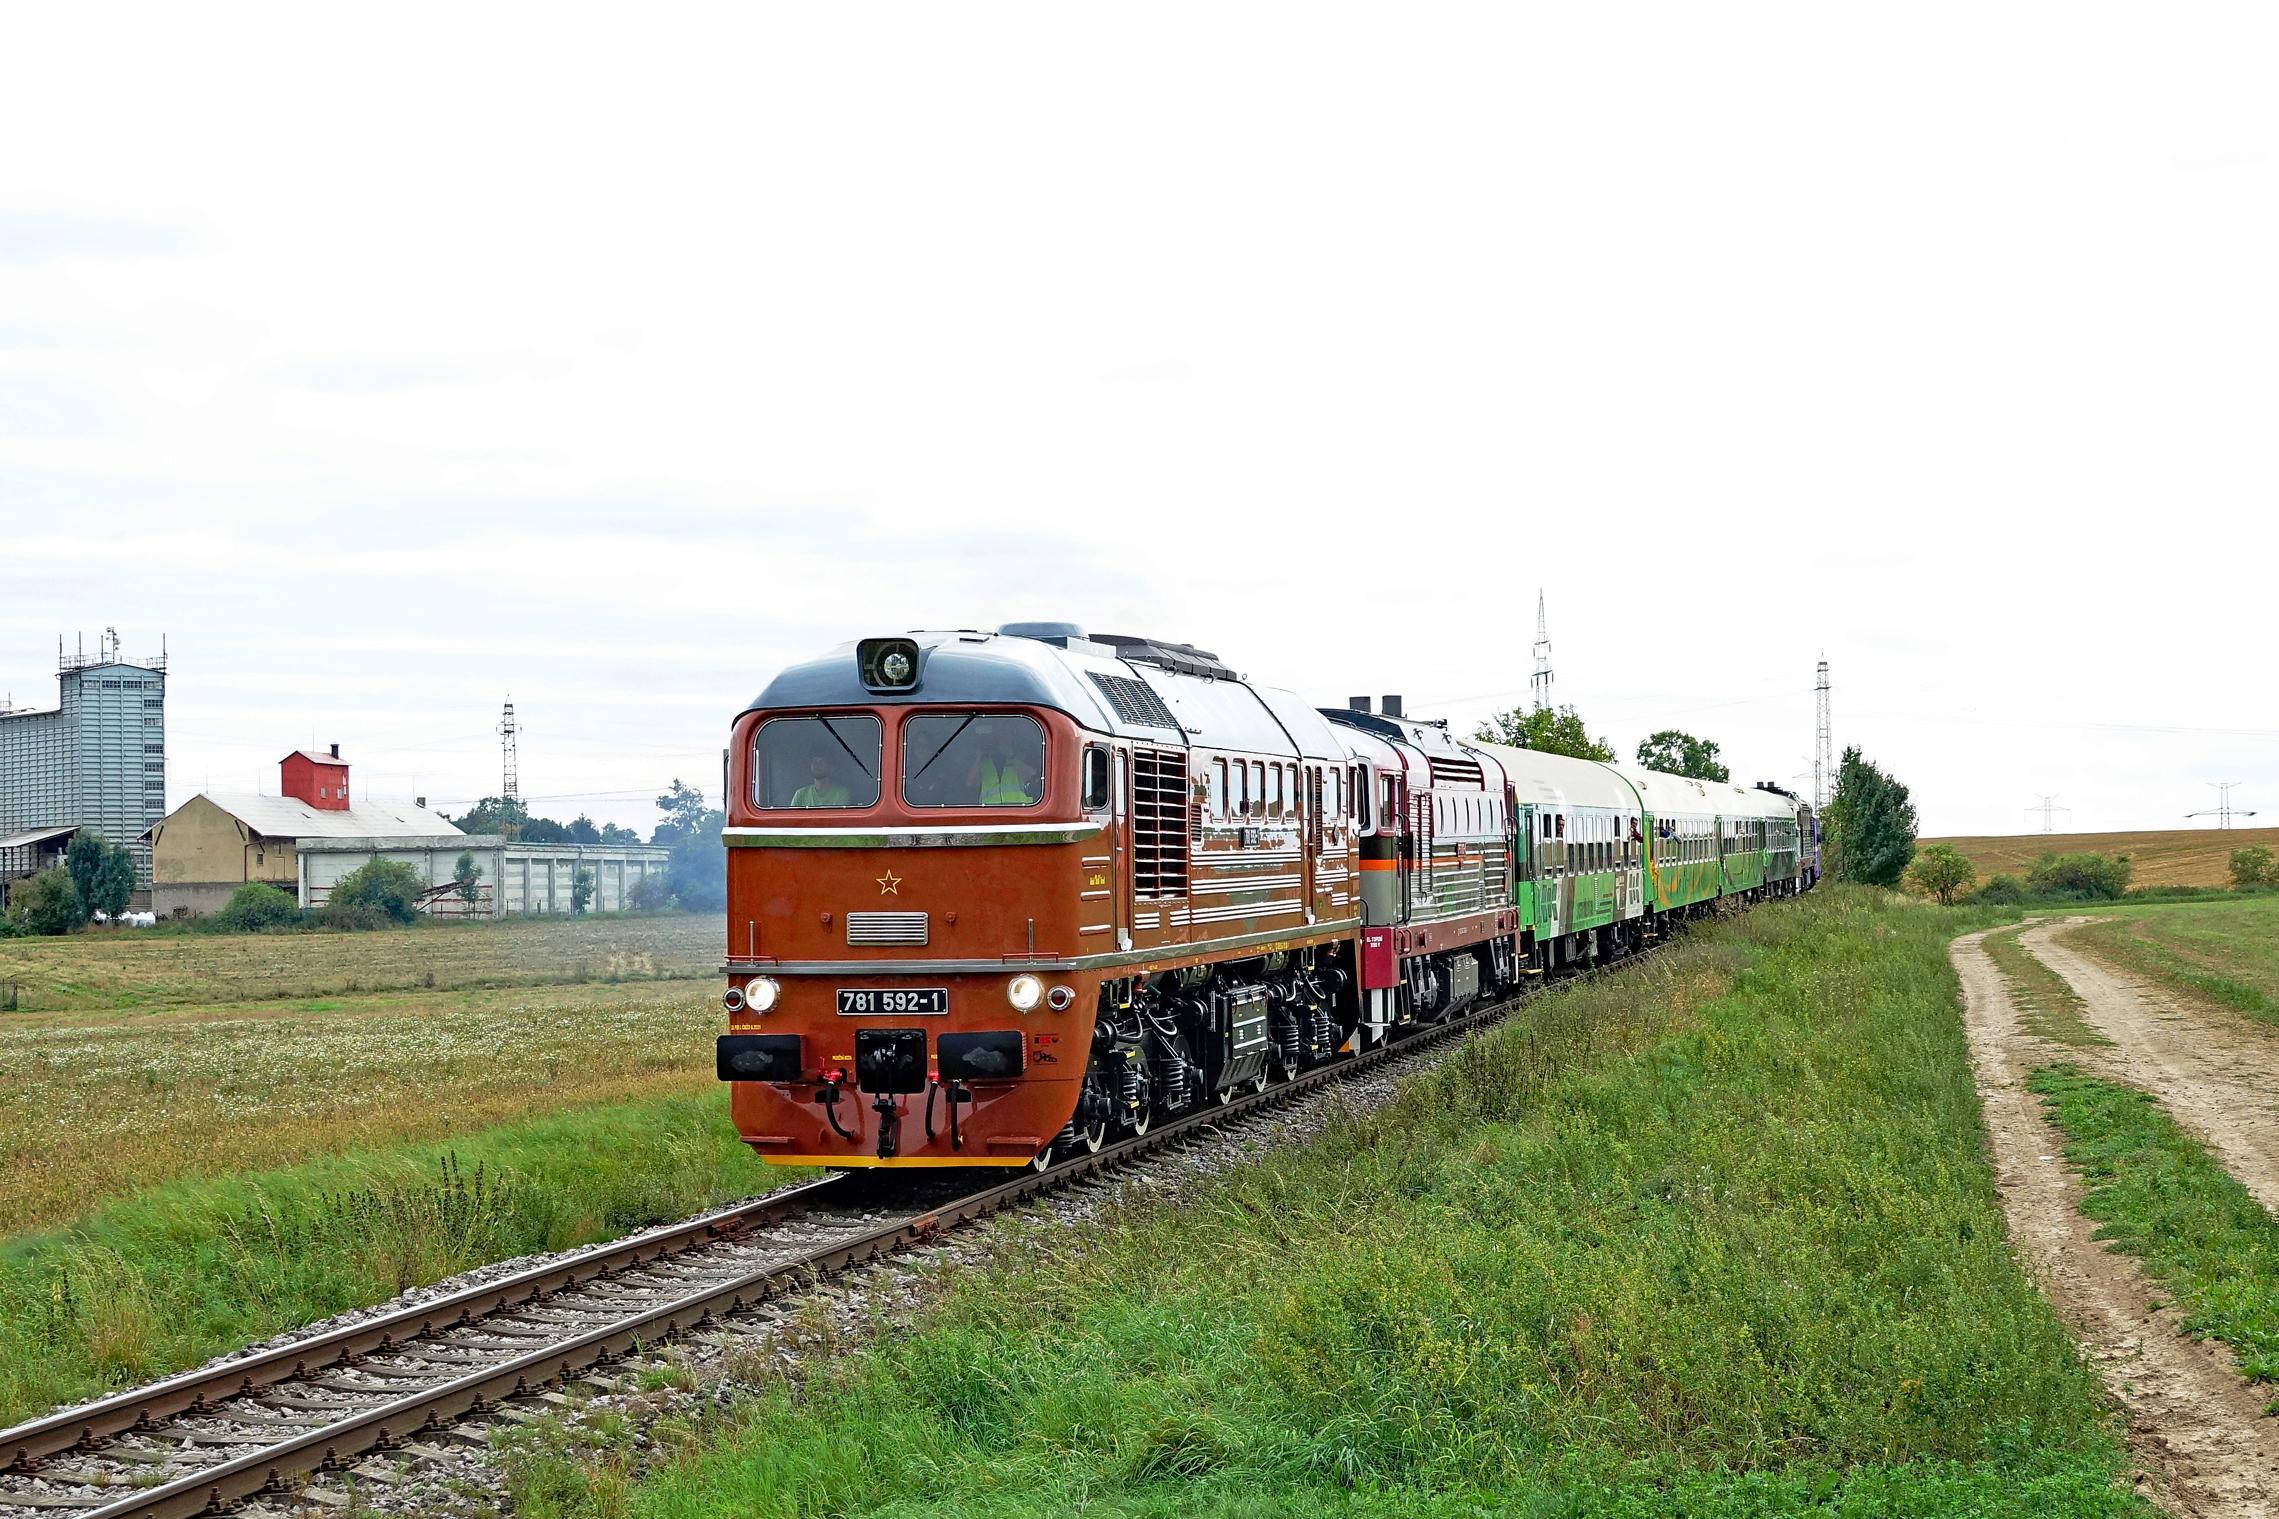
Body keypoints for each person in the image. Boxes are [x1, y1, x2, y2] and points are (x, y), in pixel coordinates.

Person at [967, 723, 1037, 806]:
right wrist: (978, 757)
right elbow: (970, 783)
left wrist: (1010, 755)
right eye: (997, 740)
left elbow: (1032, 776)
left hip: (1019, 812)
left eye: (1004, 738)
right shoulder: (984, 764)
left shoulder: (1021, 757)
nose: (999, 743)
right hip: (991, 813)